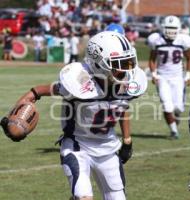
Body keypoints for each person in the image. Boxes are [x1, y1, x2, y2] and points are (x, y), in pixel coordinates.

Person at [1, 31, 147, 200]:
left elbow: (122, 108)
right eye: (119, 64)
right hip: (78, 146)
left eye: (128, 63)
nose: (125, 70)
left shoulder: (125, 85)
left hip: (108, 149)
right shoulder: (79, 82)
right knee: (83, 197)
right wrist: (14, 116)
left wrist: (127, 141)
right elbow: (38, 91)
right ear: (98, 63)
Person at [147, 15, 190, 139]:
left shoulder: (183, 40)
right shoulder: (156, 40)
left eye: (173, 28)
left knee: (179, 108)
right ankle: (174, 131)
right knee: (167, 105)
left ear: (178, 28)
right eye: (168, 28)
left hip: (178, 77)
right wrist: (154, 74)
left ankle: (174, 122)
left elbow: (189, 58)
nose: (171, 31)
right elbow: (152, 59)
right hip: (162, 77)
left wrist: (188, 75)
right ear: (163, 28)